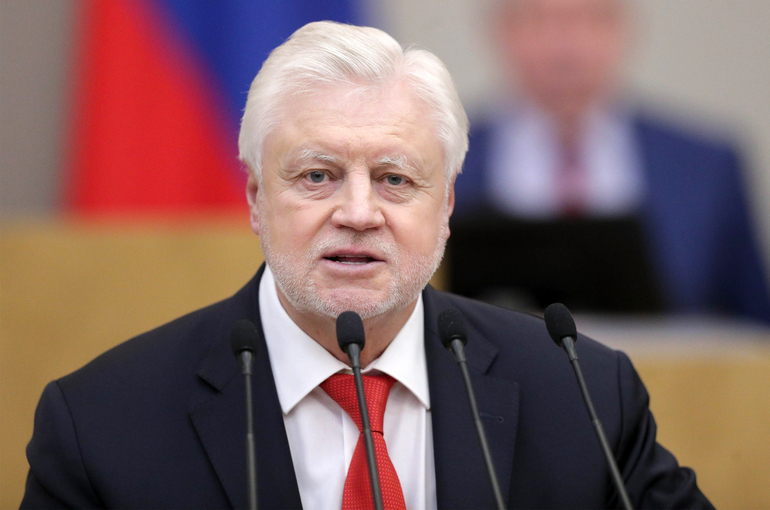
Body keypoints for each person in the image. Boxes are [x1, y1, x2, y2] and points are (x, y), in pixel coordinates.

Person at [22, 21, 713, 509]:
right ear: (256, 199)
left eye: (394, 179)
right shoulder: (102, 424)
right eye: (317, 176)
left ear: (446, 205)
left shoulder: (582, 395)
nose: (358, 212)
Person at [454, 0, 770, 322]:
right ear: (500, 31)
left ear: (625, 28)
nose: (564, 49)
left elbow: (755, 325)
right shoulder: (444, 160)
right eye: (538, 21)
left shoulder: (706, 167)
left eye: (592, 18)